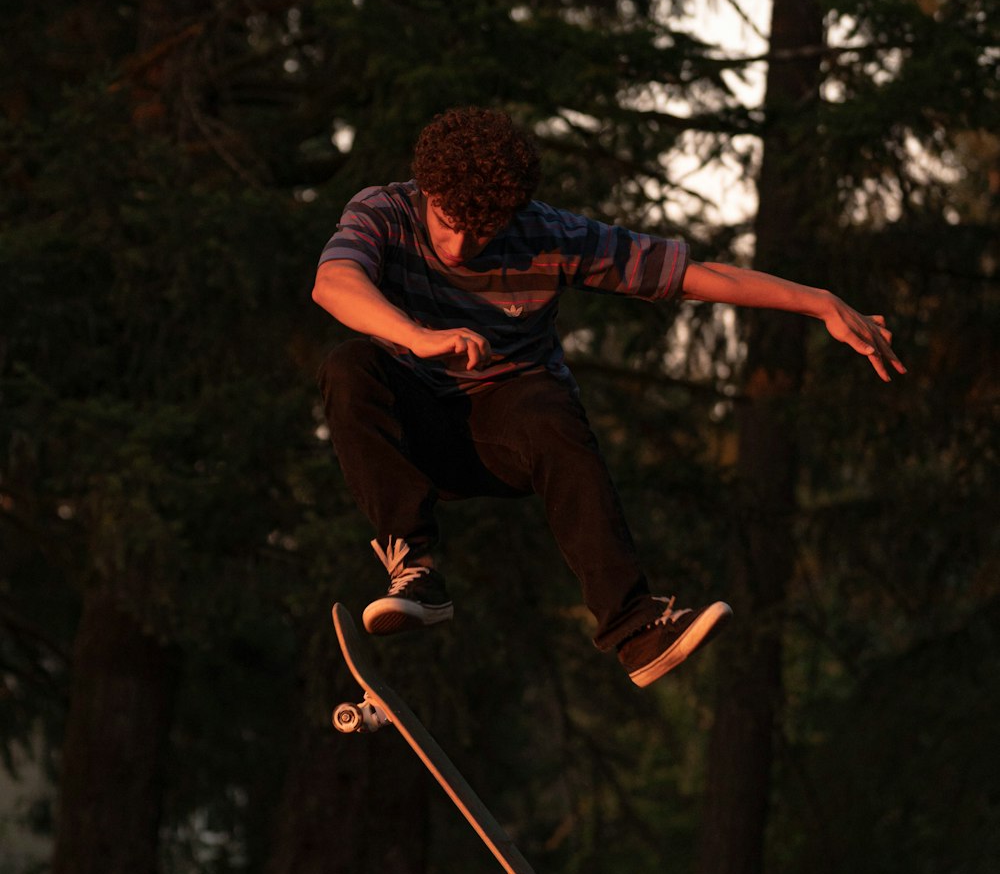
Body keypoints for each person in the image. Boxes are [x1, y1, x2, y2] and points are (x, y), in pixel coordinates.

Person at [312, 107, 904, 688]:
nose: (461, 245)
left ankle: (636, 630)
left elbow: (695, 277)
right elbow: (333, 282)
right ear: (427, 192)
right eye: (448, 223)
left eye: (483, 231)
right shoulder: (384, 210)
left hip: (512, 437)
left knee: (543, 405)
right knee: (349, 366)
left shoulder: (549, 234)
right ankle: (415, 570)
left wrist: (820, 301)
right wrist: (418, 338)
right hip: (414, 437)